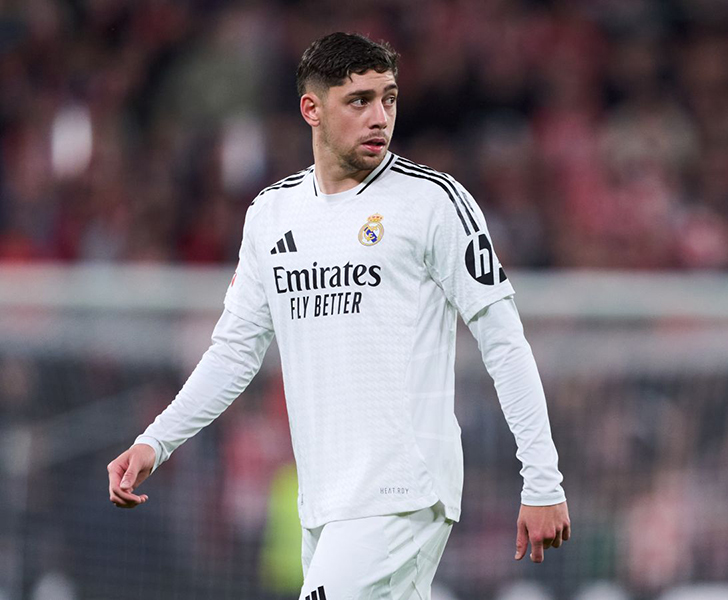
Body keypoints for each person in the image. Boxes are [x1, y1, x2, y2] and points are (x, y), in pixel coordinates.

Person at [107, 32, 570, 599]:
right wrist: (156, 441)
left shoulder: (433, 202)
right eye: (359, 101)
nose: (380, 117)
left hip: (402, 490)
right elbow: (233, 353)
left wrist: (542, 479)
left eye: (389, 99)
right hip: (325, 502)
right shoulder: (272, 214)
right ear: (312, 109)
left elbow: (504, 340)